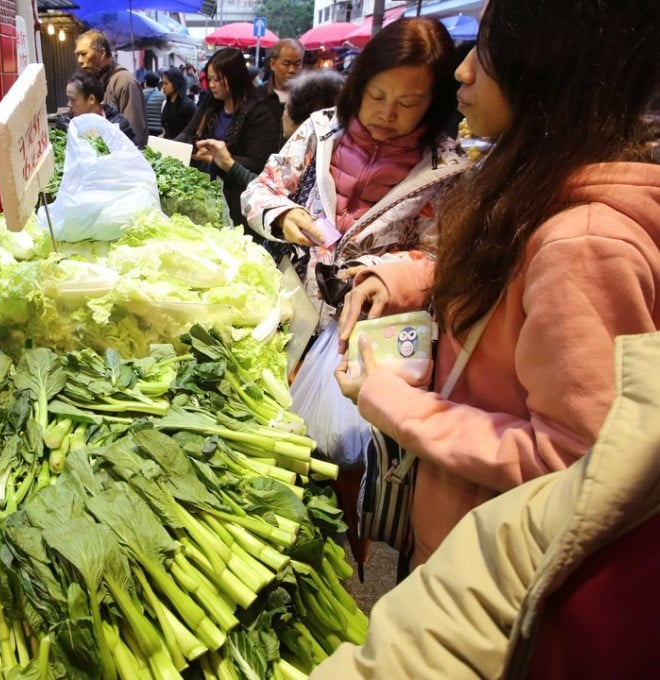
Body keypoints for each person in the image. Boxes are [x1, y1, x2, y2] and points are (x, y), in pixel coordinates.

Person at [333, 0, 660, 571]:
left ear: (550, 67)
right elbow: (508, 272)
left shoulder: (584, 244)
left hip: (489, 556)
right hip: (460, 526)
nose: (461, 71)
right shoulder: (534, 182)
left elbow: (574, 463)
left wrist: (391, 400)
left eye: (485, 50)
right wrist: (402, 275)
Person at [240, 19, 465, 563]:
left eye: (409, 102)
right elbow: (258, 190)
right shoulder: (319, 131)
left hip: (369, 342)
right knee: (269, 444)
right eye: (377, 95)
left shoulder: (447, 168)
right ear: (358, 84)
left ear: (434, 103)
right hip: (291, 318)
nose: (388, 112)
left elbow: (445, 258)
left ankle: (334, 553)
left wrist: (390, 271)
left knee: (347, 467)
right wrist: (283, 214)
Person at [314, 331, 660, 679]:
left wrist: (395, 404)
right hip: (452, 518)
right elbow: (499, 567)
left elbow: (563, 458)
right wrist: (404, 282)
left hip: (465, 507)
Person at [194, 69, 346, 226]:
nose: (282, 115)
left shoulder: (304, 161)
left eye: (286, 107)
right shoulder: (335, 156)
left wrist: (228, 163)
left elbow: (269, 193)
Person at [176, 47, 282, 228]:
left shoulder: (259, 112)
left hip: (241, 202)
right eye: (209, 79)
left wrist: (218, 159)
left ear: (235, 77)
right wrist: (166, 147)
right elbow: (188, 132)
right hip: (210, 194)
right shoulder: (211, 103)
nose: (212, 85)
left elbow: (258, 164)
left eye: (218, 79)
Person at [75, 30, 147, 147]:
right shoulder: (98, 83)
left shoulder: (124, 82)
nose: (79, 60)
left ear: (102, 53)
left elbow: (134, 136)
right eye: (77, 55)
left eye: (83, 54)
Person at [55, 69, 136, 142]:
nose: (68, 104)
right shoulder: (65, 124)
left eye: (73, 100)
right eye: (68, 99)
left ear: (91, 99)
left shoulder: (119, 125)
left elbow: (134, 153)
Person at [259, 39, 305, 135]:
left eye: (297, 64)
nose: (292, 70)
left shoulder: (309, 97)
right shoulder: (257, 95)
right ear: (272, 64)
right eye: (286, 64)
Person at [160, 67, 196, 140]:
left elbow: (194, 130)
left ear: (175, 83)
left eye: (166, 84)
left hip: (183, 147)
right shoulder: (168, 103)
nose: (163, 87)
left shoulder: (188, 105)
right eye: (162, 83)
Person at [142, 71, 165, 137]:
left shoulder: (140, 94)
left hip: (145, 129)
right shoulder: (163, 96)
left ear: (145, 82)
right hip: (159, 130)